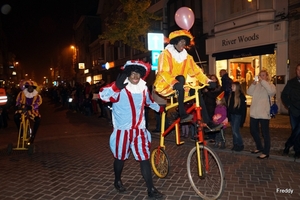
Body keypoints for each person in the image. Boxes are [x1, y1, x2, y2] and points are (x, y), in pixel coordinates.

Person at [99, 60, 163, 199]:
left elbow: (149, 102)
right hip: (122, 131)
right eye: (132, 73)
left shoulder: (143, 88)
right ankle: (117, 180)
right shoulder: (119, 89)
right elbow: (103, 95)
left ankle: (151, 189)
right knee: (120, 158)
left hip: (139, 131)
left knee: (144, 158)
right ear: (128, 74)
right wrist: (116, 86)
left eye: (138, 74)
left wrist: (161, 109)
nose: (135, 77)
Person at [154, 29, 212, 123]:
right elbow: (163, 71)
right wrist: (174, 83)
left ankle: (208, 123)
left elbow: (197, 72)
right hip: (165, 85)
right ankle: (181, 113)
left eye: (184, 42)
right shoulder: (165, 54)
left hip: (180, 86)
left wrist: (208, 81)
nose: (183, 44)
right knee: (180, 78)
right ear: (175, 42)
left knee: (196, 91)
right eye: (181, 41)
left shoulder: (188, 57)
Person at [247, 69, 276, 159]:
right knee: (253, 130)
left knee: (265, 133)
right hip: (254, 112)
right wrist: (253, 84)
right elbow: (249, 92)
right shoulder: (257, 85)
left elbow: (271, 92)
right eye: (260, 75)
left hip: (264, 112)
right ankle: (259, 147)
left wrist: (263, 82)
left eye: (263, 75)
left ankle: (266, 152)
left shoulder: (270, 85)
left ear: (267, 76)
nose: (261, 77)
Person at [14, 80, 42, 145]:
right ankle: (21, 133)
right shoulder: (21, 94)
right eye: (28, 87)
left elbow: (38, 103)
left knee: (38, 120)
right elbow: (18, 102)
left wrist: (31, 107)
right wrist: (19, 106)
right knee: (16, 117)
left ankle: (32, 136)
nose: (30, 88)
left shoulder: (37, 95)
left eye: (31, 87)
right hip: (22, 110)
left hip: (32, 111)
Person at [281, 64, 300, 158]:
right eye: (298, 70)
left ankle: (289, 145)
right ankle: (296, 149)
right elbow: (284, 95)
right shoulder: (291, 82)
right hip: (294, 111)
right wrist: (289, 106)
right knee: (295, 130)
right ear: (296, 71)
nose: (299, 71)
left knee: (298, 130)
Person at [227, 82, 247, 152]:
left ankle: (240, 144)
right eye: (232, 86)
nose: (232, 87)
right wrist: (228, 116)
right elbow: (229, 107)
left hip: (238, 115)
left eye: (233, 86)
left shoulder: (241, 96)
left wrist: (243, 120)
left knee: (235, 131)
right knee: (234, 131)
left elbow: (243, 109)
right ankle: (235, 144)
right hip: (232, 115)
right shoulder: (231, 95)